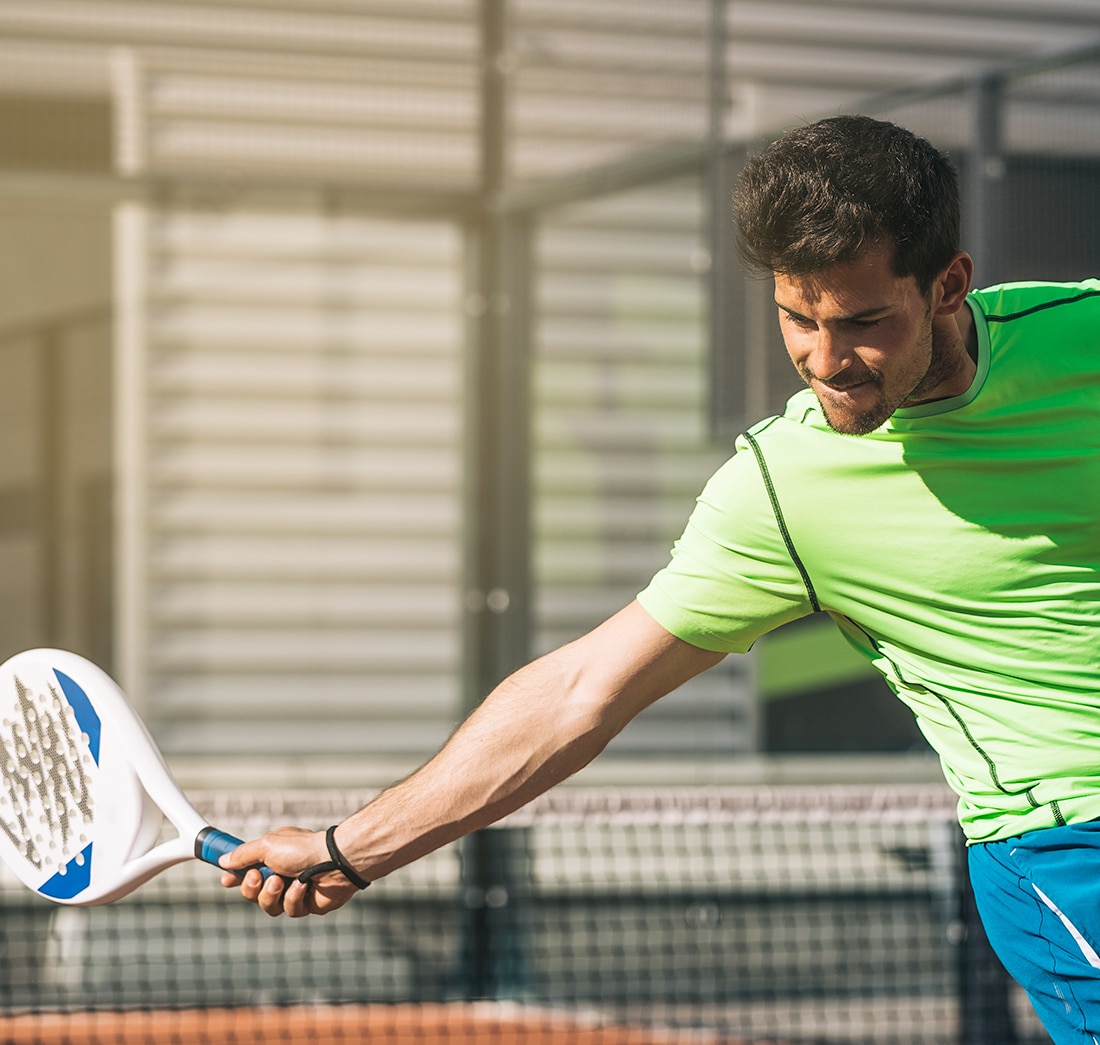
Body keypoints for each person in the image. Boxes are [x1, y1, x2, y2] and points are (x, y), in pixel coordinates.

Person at [221, 114, 1100, 1043]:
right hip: (1063, 839)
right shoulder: (779, 492)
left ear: (949, 284)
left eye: (863, 323)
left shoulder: (1081, 334)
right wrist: (346, 849)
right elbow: (578, 692)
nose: (826, 361)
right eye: (798, 320)